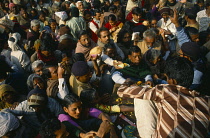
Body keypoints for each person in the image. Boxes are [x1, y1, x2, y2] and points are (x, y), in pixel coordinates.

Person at [117, 57, 210, 137]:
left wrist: (127, 82)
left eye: (167, 78)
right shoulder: (206, 100)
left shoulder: (165, 91)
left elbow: (121, 91)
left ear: (172, 81)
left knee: (143, 96)